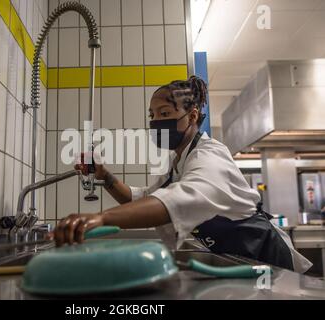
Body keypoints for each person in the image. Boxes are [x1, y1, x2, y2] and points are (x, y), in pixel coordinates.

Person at [49, 76, 312, 273]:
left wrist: (101, 218)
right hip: (242, 263)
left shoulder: (209, 155)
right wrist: (105, 176)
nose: (155, 122)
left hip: (272, 265)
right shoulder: (178, 163)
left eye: (165, 114)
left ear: (192, 116)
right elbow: (142, 199)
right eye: (152, 115)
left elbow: (182, 198)